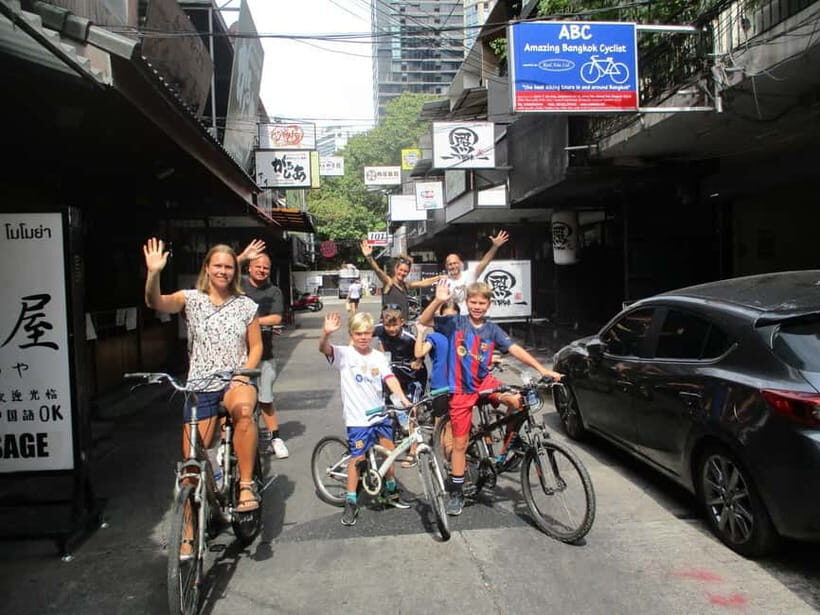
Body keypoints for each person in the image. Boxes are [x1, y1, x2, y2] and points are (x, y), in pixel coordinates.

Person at [142, 238, 262, 558]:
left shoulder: (245, 305)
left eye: (228, 266)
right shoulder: (191, 299)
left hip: (235, 379)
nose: (223, 271)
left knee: (244, 411)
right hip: (200, 384)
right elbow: (156, 302)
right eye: (217, 266)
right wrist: (154, 274)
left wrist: (244, 371)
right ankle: (189, 532)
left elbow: (257, 348)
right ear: (207, 269)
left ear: (235, 270)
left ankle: (246, 484)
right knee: (191, 467)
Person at [419, 279, 563, 517]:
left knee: (519, 401)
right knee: (460, 444)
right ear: (467, 303)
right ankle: (456, 492)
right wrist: (438, 300)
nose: (477, 306)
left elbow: (515, 349)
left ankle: (512, 441)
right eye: (473, 302)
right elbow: (424, 321)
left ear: (489, 304)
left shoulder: (492, 329)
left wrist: (542, 369)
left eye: (482, 302)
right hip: (461, 389)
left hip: (485, 383)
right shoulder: (455, 322)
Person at [319, 311, 412, 526]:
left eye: (367, 333)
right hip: (358, 418)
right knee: (358, 459)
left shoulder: (378, 356)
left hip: (380, 414)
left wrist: (403, 398)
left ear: (372, 333)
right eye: (359, 333)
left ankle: (389, 490)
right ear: (351, 333)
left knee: (389, 453)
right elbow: (323, 348)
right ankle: (351, 500)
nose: (363, 337)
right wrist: (325, 334)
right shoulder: (344, 354)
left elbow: (390, 378)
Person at [237, 239, 288, 459]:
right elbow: (214, 275)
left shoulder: (274, 291)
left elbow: (277, 317)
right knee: (234, 401)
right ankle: (225, 443)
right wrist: (240, 256)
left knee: (265, 398)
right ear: (249, 266)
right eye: (257, 266)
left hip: (265, 354)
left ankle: (275, 436)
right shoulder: (237, 285)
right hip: (236, 355)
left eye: (266, 267)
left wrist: (249, 322)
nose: (262, 270)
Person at [374, 308, 427, 468]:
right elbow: (361, 331)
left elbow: (420, 353)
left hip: (413, 378)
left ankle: (413, 450)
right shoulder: (380, 330)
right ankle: (388, 442)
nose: (391, 329)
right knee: (388, 409)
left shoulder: (408, 338)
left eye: (394, 325)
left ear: (402, 323)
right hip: (393, 376)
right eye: (387, 326)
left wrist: (417, 362)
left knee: (412, 412)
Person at [360, 240, 441, 320]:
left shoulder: (405, 285)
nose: (403, 273)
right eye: (401, 270)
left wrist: (439, 277)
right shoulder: (389, 283)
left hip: (402, 325)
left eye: (406, 271)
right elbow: (378, 270)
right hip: (389, 326)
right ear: (395, 268)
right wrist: (369, 257)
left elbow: (423, 283)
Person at [444, 230, 510, 312]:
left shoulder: (470, 274)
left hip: (471, 317)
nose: (453, 266)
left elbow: (485, 261)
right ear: (446, 266)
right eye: (450, 264)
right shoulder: (444, 283)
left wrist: (495, 246)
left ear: (461, 264)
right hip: (454, 320)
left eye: (455, 263)